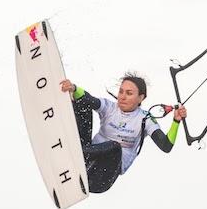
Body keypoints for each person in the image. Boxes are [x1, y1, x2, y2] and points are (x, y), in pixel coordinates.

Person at [59, 73, 188, 193]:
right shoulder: (110, 108)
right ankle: (73, 145)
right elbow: (89, 99)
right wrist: (73, 88)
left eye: (129, 93)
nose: (122, 97)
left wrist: (176, 121)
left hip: (100, 177)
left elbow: (166, 146)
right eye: (121, 91)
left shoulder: (145, 120)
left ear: (140, 97)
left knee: (115, 147)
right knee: (83, 103)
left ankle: (74, 151)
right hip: (87, 158)